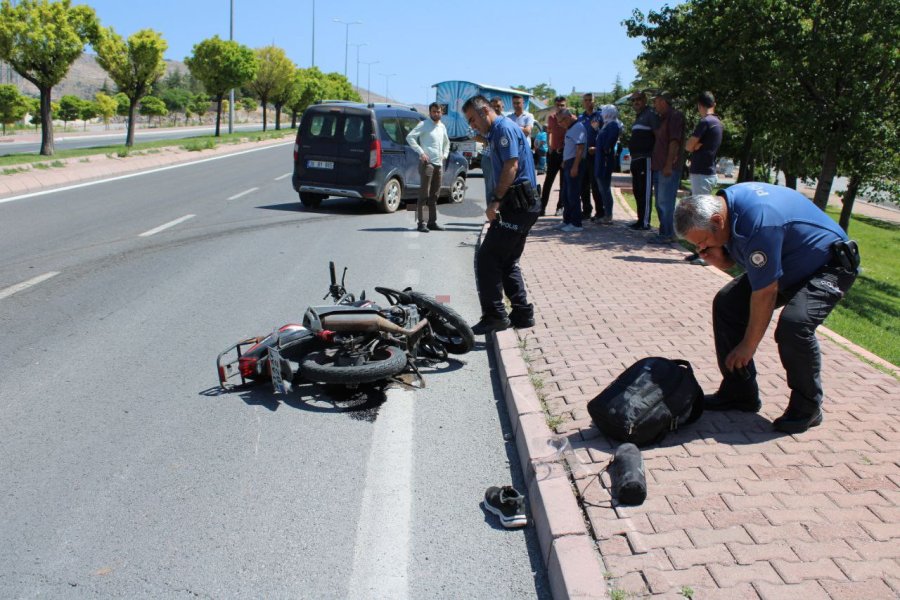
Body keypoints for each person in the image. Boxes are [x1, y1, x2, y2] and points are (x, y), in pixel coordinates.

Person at [674, 183, 860, 434]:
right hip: (789, 264)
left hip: (829, 265)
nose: (702, 249)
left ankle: (808, 407)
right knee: (728, 303)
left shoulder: (759, 221)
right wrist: (721, 259)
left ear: (717, 220)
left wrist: (747, 346)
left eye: (704, 241)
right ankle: (739, 394)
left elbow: (765, 293)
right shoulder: (726, 211)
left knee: (794, 325)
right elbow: (742, 262)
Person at [462, 94, 540, 335]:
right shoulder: (495, 132)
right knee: (506, 261)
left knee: (487, 258)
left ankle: (495, 315)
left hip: (517, 204)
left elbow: (511, 166)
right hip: (523, 204)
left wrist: (495, 201)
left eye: (473, 119)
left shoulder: (503, 129)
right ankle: (522, 314)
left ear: (485, 111)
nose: (472, 125)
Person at [683, 91, 723, 264]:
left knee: (703, 216)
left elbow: (689, 146)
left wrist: (696, 145)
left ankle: (707, 256)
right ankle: (700, 252)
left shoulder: (705, 122)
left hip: (701, 173)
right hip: (707, 172)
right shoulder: (718, 123)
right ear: (714, 104)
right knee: (701, 214)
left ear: (700, 105)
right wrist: (698, 146)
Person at [406, 101, 450, 232]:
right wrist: (421, 152)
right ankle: (421, 223)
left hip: (439, 164)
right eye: (434, 111)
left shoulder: (442, 126)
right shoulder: (424, 124)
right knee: (424, 194)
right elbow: (410, 137)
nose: (436, 114)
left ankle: (432, 222)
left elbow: (447, 143)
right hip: (427, 164)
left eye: (438, 111)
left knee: (435, 194)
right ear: (430, 112)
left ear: (441, 112)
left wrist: (445, 154)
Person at [648, 91, 685, 244]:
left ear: (662, 101)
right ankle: (664, 232)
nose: (654, 105)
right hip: (658, 167)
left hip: (667, 168)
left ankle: (669, 234)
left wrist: (669, 164)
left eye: (655, 101)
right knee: (660, 202)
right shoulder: (662, 119)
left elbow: (674, 142)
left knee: (666, 202)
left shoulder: (675, 116)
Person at [627, 91, 658, 231]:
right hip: (636, 159)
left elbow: (658, 135)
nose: (635, 102)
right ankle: (639, 220)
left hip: (646, 158)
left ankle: (645, 222)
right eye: (633, 100)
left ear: (645, 99)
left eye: (638, 99)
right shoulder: (638, 117)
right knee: (637, 190)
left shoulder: (650, 114)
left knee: (645, 191)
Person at [556, 108, 587, 232]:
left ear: (568, 117)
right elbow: (570, 146)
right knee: (565, 194)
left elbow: (580, 148)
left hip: (575, 162)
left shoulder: (578, 127)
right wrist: (565, 160)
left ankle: (576, 223)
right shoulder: (571, 128)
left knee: (573, 194)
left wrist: (575, 166)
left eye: (561, 121)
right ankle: (567, 220)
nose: (560, 124)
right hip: (569, 162)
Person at [593, 105, 622, 224]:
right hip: (600, 159)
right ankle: (606, 213)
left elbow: (609, 142)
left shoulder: (613, 125)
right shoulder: (606, 125)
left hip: (605, 160)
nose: (601, 113)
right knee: (601, 187)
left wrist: (604, 149)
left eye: (604, 111)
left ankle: (608, 214)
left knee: (605, 188)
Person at [540, 96, 568, 216]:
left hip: (565, 154)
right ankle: (542, 207)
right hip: (553, 154)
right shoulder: (551, 118)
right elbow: (549, 132)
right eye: (558, 105)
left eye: (562, 105)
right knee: (548, 182)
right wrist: (549, 147)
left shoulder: (569, 118)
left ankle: (560, 207)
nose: (560, 107)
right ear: (554, 106)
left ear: (566, 106)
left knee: (563, 183)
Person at [577, 92, 602, 221]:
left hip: (595, 156)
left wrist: (598, 148)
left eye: (590, 100)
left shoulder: (600, 116)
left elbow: (604, 134)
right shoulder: (580, 118)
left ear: (594, 101)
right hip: (583, 156)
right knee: (583, 185)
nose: (588, 102)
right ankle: (586, 210)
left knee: (595, 184)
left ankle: (600, 212)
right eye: (585, 100)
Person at [477, 97, 505, 204]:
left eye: (498, 106)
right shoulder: (484, 120)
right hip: (489, 158)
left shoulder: (505, 121)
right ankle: (491, 215)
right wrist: (486, 140)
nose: (496, 108)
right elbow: (471, 133)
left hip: (503, 159)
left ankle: (501, 213)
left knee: (503, 186)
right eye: (493, 106)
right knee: (490, 187)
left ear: (502, 107)